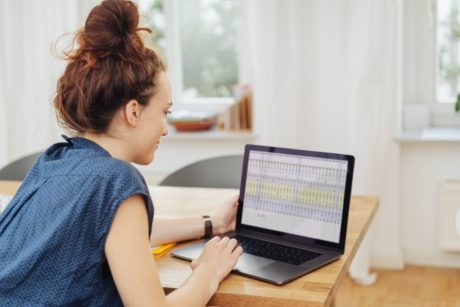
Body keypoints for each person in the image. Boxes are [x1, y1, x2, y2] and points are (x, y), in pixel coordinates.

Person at [0, 0, 243, 306]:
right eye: (164, 112)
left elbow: (120, 235)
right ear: (133, 111)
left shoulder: (56, 159)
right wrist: (208, 271)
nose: (165, 129)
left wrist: (213, 223)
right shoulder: (118, 180)